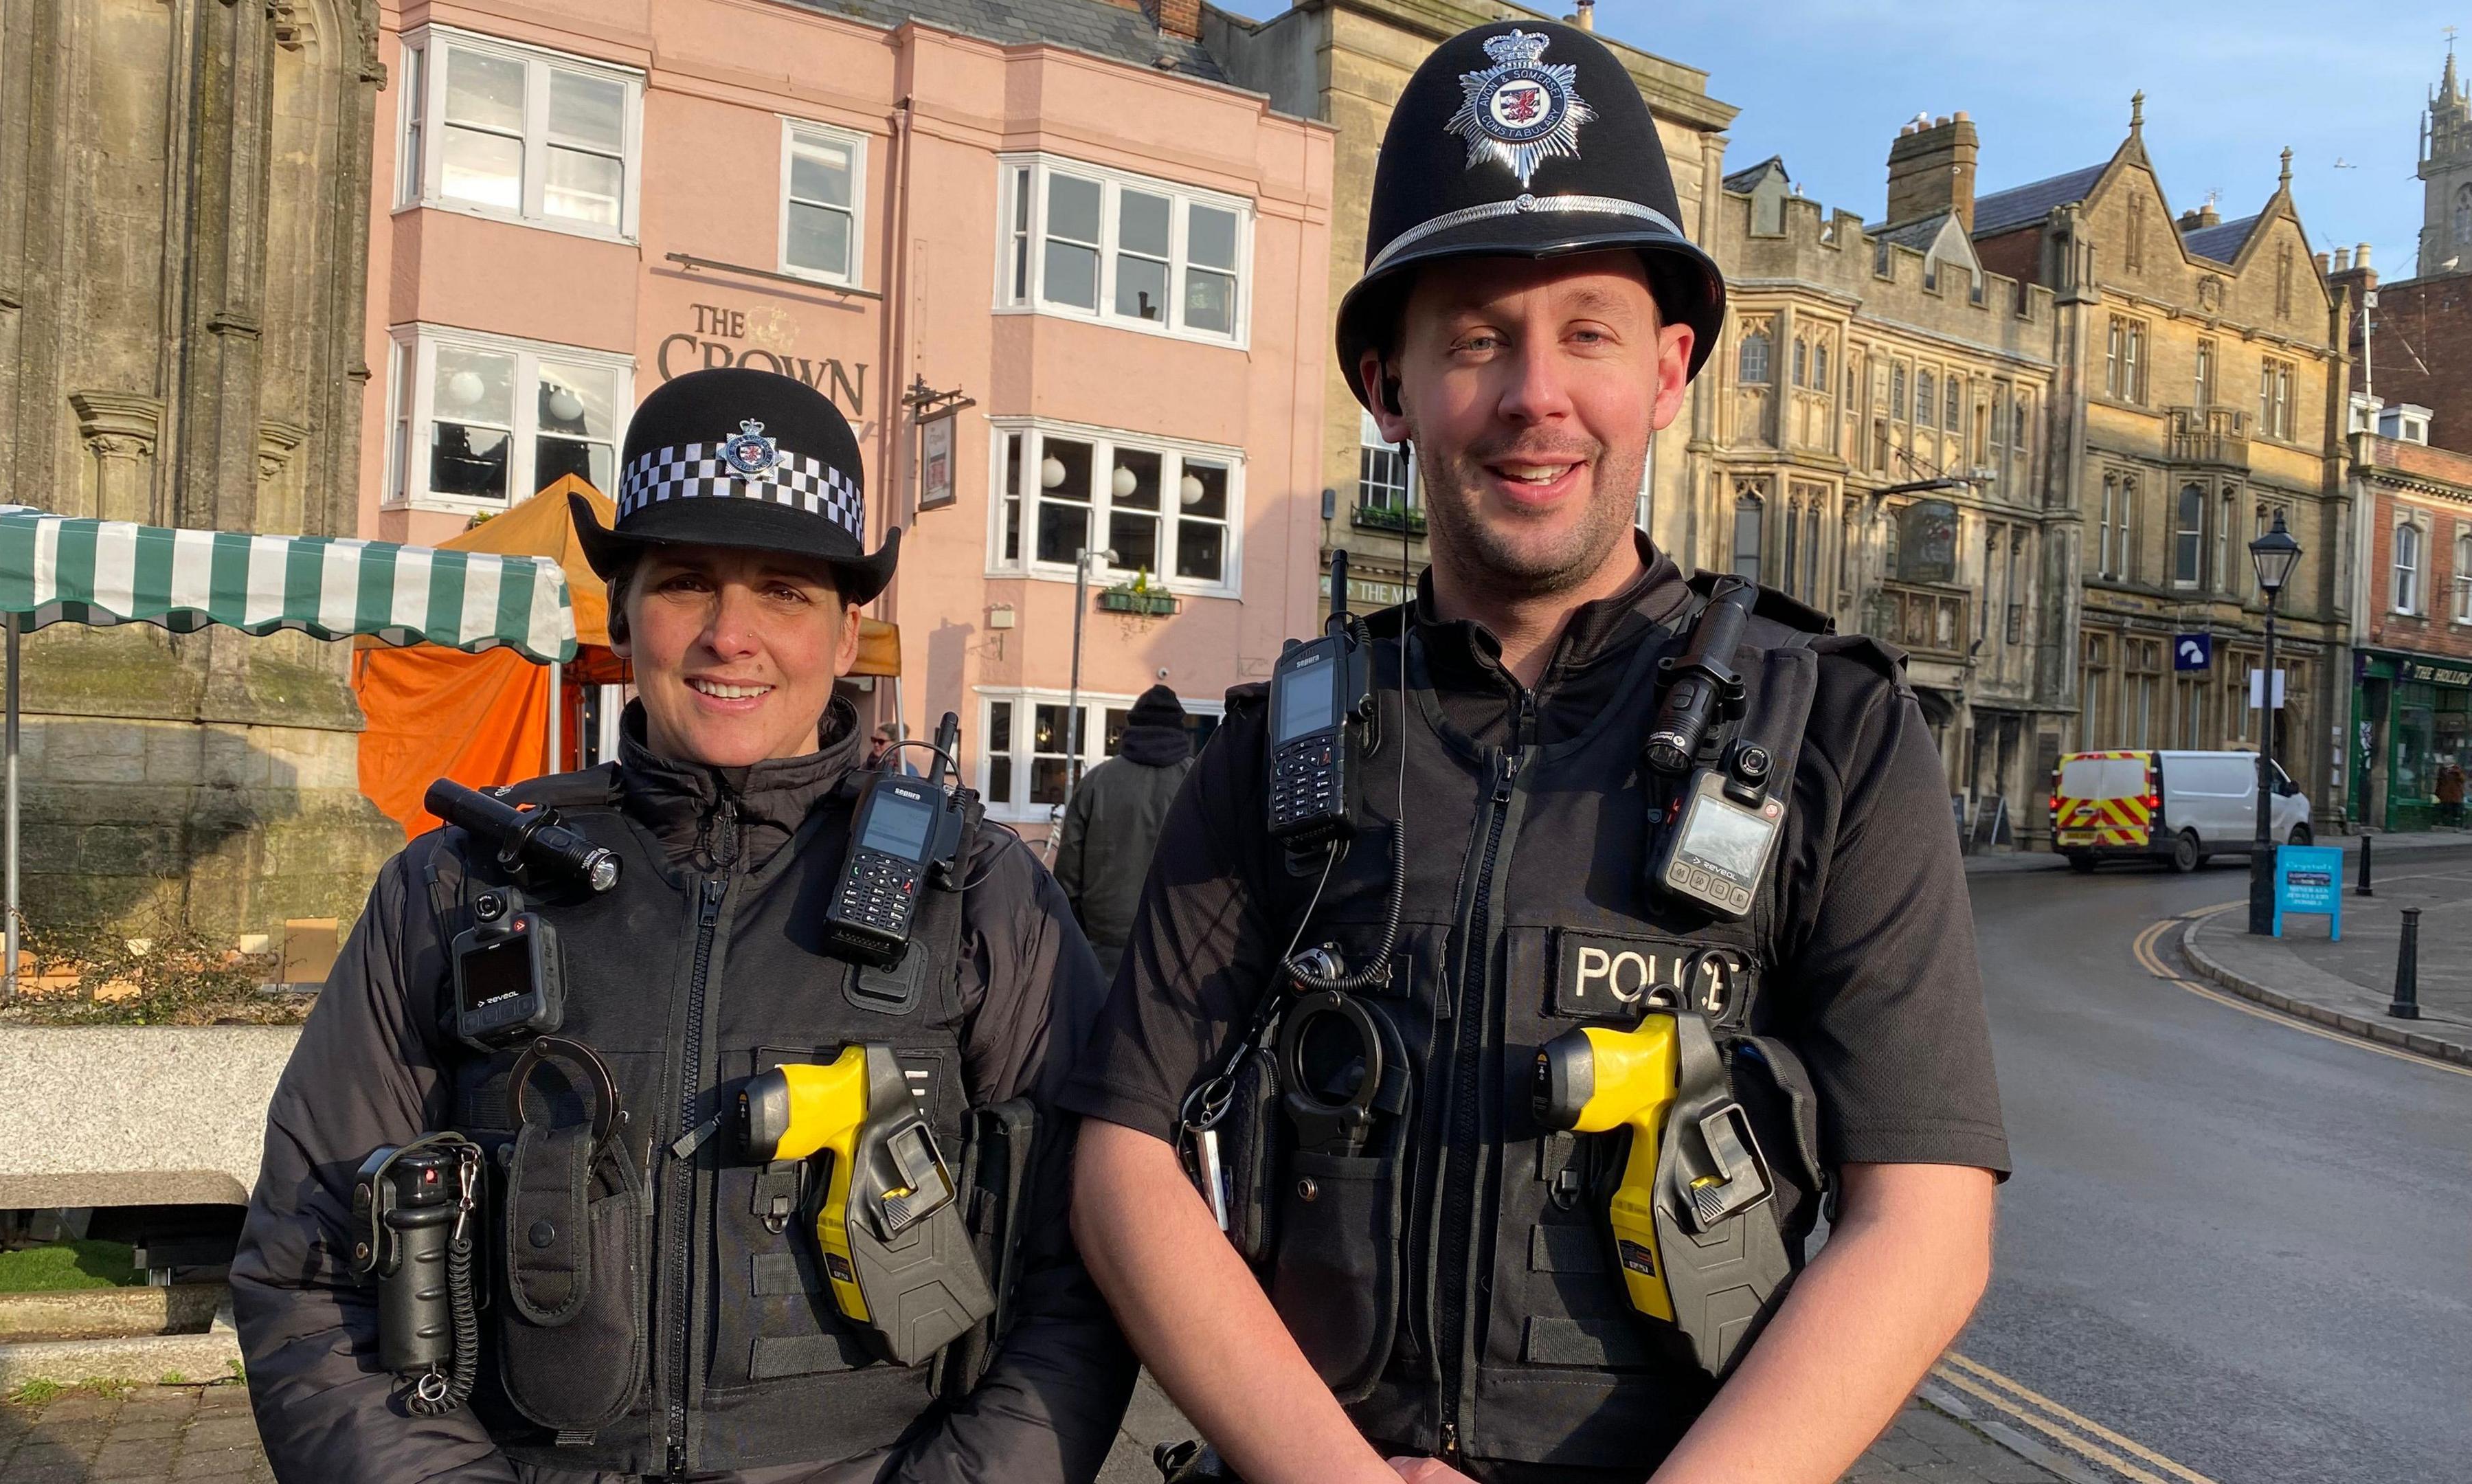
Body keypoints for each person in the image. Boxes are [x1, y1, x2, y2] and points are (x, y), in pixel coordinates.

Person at [1060, 25, 2007, 1484]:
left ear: (1669, 369)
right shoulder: (1278, 748)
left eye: (1588, 331)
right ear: (1391, 389)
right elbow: (1125, 1163)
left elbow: (1925, 1216)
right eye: (1477, 339)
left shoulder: (1834, 727)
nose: (1534, 397)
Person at [232, 368, 1135, 1483]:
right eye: (687, 584)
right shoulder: (451, 892)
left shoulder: (984, 903)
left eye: (786, 593)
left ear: (850, 632)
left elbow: (1091, 1282)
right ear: (621, 611)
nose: (729, 636)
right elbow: (307, 1272)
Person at [1053, 684, 1198, 980]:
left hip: (1104, 942)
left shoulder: (1097, 781)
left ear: (1131, 728)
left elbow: (1067, 875)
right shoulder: (1197, 783)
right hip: (1175, 936)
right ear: (1179, 729)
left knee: (1098, 1019)